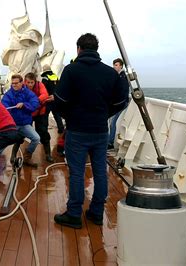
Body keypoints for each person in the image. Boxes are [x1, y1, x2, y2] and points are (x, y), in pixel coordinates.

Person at [53, 33, 129, 228]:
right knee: (100, 172)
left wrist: (69, 117)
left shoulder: (71, 70)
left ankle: (74, 214)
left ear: (79, 49)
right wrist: (105, 114)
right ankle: (96, 213)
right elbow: (121, 101)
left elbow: (59, 100)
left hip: (77, 130)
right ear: (96, 49)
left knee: (77, 173)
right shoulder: (110, 73)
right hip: (100, 131)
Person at [2, 74, 40, 167]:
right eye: (13, 83)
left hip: (24, 124)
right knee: (2, 141)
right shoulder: (8, 94)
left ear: (21, 83)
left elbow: (35, 103)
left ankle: (27, 157)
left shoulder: (28, 93)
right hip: (12, 124)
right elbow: (4, 107)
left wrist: (24, 105)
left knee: (36, 138)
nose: (14, 85)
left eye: (16, 83)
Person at [24, 72, 54, 163]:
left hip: (41, 113)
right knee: (21, 133)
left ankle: (48, 154)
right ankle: (19, 155)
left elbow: (45, 94)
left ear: (35, 81)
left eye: (31, 82)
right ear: (25, 81)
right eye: (28, 82)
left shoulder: (40, 85)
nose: (30, 85)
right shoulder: (23, 88)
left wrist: (34, 101)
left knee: (43, 132)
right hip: (28, 113)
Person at [41, 66, 65, 155]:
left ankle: (45, 130)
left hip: (48, 99)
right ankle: (60, 128)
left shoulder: (44, 78)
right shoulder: (55, 76)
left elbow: (44, 89)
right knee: (57, 115)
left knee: (45, 115)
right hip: (55, 98)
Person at [108, 58, 129, 149]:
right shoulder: (117, 76)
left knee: (113, 123)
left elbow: (123, 92)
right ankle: (109, 141)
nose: (114, 67)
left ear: (121, 66)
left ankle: (110, 143)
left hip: (121, 103)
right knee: (109, 122)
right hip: (117, 103)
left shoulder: (122, 76)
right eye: (114, 65)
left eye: (116, 65)